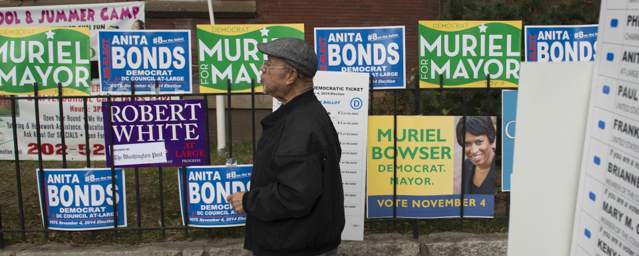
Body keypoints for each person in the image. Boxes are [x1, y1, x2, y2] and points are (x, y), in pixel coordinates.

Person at [226, 38, 345, 256]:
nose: (262, 68)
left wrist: (248, 200)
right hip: (299, 240)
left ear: (290, 75)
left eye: (269, 64)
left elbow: (295, 194)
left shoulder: (300, 124)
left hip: (294, 245)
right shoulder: (307, 113)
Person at [455, 116, 496, 195]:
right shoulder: (467, 164)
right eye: (467, 144)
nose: (474, 151)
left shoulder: (500, 168)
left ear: (490, 139)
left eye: (479, 142)